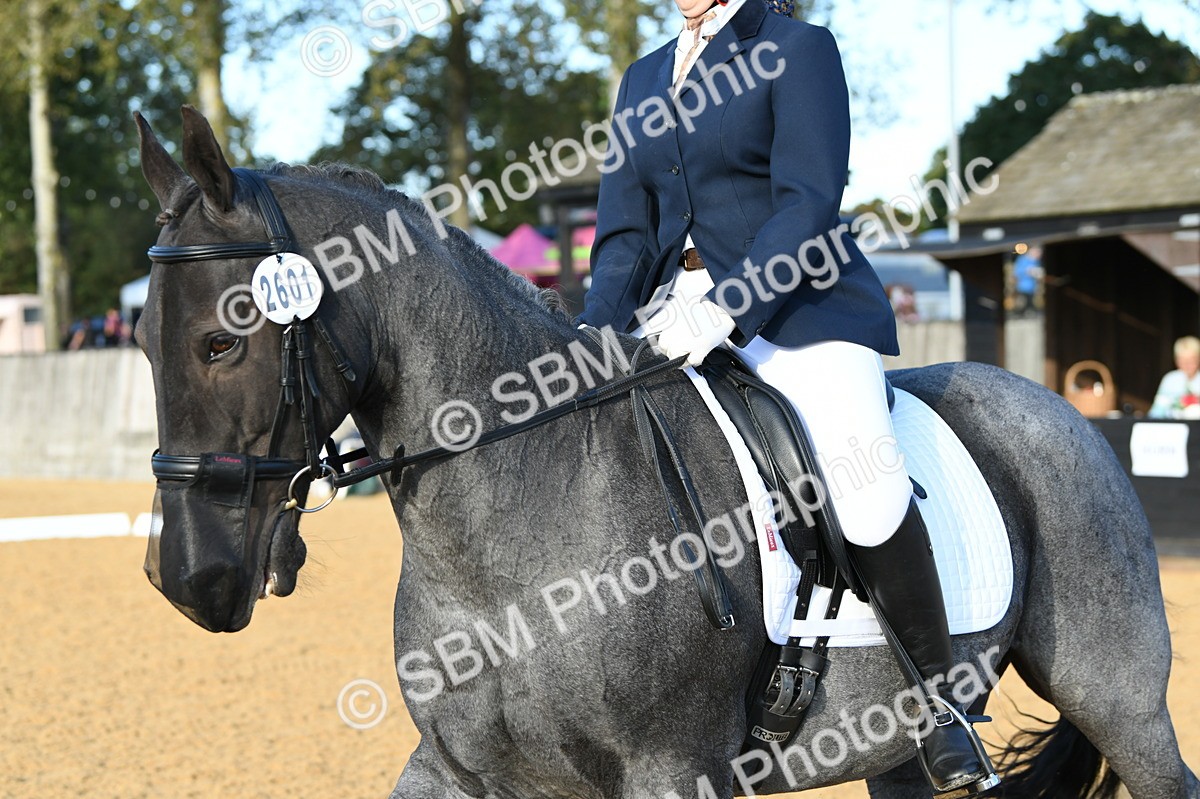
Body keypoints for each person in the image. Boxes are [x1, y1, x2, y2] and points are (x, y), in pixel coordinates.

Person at [578, 0, 993, 793]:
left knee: (865, 486)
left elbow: (808, 201)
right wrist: (593, 337)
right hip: (669, 311)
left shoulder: (797, 48)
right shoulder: (641, 78)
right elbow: (626, 231)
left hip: (797, 308)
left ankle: (942, 708)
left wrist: (732, 305)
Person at [1149, 336, 1200, 419]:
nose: (1187, 364)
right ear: (1176, 360)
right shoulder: (1170, 380)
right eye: (1183, 360)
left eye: (1191, 359)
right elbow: (1156, 413)